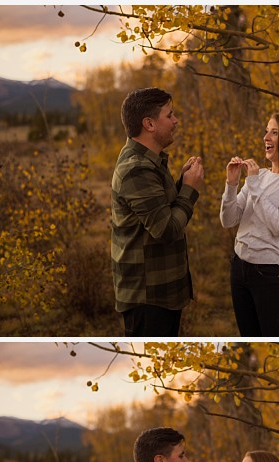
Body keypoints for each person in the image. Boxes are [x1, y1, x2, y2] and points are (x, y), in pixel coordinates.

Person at [111, 87, 204, 336]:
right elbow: (166, 229)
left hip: (161, 294)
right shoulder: (136, 169)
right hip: (148, 299)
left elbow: (156, 210)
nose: (176, 121)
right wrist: (190, 190)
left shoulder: (150, 161)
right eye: (170, 115)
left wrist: (180, 185)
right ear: (149, 124)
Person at [220, 111, 279, 336]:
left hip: (272, 274)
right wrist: (231, 185)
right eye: (266, 131)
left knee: (272, 341)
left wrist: (253, 185)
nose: (266, 137)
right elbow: (228, 220)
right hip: (239, 268)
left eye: (274, 132)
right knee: (248, 338)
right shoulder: (260, 176)